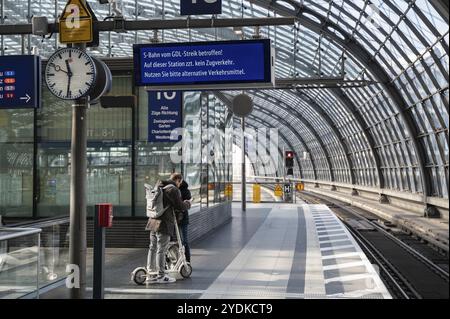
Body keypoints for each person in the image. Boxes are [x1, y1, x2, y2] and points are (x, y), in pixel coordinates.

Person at [146, 173, 191, 283]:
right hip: (164, 223)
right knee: (162, 249)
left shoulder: (159, 186)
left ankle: (150, 273)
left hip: (153, 221)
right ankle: (161, 275)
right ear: (177, 180)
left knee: (152, 247)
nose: (180, 185)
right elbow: (179, 206)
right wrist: (187, 204)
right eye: (180, 182)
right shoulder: (172, 189)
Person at [177, 180, 192, 263]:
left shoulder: (182, 191)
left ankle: (186, 260)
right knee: (183, 240)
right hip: (183, 218)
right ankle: (186, 260)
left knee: (183, 240)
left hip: (181, 218)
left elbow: (185, 204)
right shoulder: (185, 191)